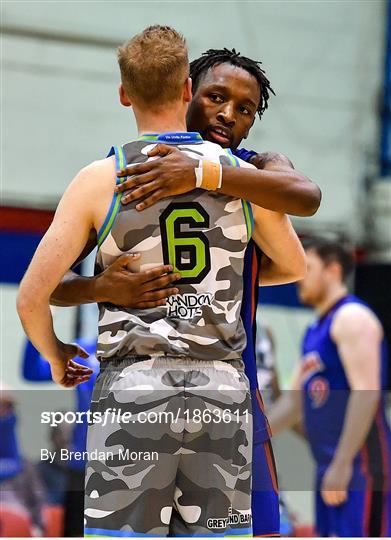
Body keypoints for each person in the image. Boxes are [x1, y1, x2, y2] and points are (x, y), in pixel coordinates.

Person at [17, 26, 309, 537]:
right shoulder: (241, 175)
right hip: (221, 389)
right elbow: (295, 264)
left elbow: (31, 297)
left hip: (136, 385)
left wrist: (58, 350)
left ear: (124, 93)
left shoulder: (102, 178)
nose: (227, 114)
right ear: (186, 91)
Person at [268, 237, 391, 537]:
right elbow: (293, 404)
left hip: (360, 467)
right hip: (331, 467)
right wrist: (245, 437)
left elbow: (367, 392)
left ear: (333, 271)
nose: (299, 276)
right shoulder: (314, 329)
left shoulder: (352, 317)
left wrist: (342, 463)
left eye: (307, 267)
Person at [22, 338, 98, 536]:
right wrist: (37, 320)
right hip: (83, 467)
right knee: (75, 532)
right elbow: (32, 372)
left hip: (136, 466)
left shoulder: (155, 347)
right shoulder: (84, 352)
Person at [0, 383, 46, 536]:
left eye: (7, 407)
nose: (5, 413)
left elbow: (39, 508)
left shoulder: (25, 467)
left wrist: (37, 530)